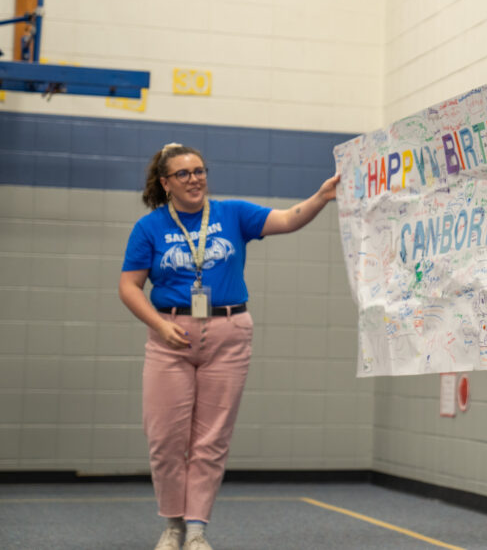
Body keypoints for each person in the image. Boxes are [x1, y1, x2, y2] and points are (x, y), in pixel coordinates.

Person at [119, 143, 340, 550]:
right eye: (183, 174)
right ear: (166, 183)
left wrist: (321, 197)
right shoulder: (148, 228)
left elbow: (288, 220)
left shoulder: (232, 213)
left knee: (212, 439)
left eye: (199, 170)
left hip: (229, 332)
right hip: (171, 336)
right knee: (166, 438)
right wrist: (158, 325)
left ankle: (198, 529)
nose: (194, 179)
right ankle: (172, 524)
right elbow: (129, 287)